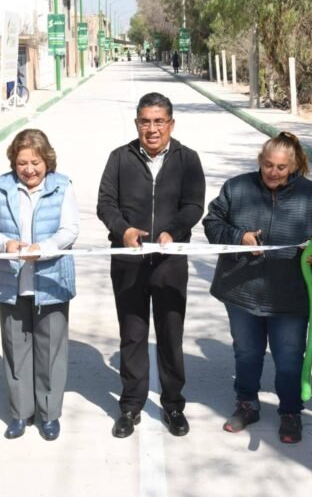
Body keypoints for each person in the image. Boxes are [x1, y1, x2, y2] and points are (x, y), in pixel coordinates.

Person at [203, 132, 312, 444]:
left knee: (290, 356)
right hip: (242, 292)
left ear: (293, 166)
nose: (273, 172)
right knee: (247, 352)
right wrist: (239, 237)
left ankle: (291, 412)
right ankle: (246, 404)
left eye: (281, 167)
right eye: (268, 165)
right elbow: (212, 222)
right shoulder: (236, 188)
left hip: (291, 297)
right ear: (260, 161)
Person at [97, 92, 205, 438]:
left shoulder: (188, 159)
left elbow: (194, 205)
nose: (152, 128)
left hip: (170, 262)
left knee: (171, 335)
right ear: (137, 124)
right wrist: (123, 230)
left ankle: (173, 405)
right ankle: (130, 405)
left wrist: (174, 231)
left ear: (171, 124)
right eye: (145, 121)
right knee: (132, 335)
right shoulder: (120, 158)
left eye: (159, 121)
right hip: (128, 262)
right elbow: (106, 203)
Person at [0, 129, 79, 442]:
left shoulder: (62, 186)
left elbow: (69, 230)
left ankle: (49, 414)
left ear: (47, 160)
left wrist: (44, 249)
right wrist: (5, 244)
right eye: (22, 163)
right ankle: (20, 413)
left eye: (35, 162)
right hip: (10, 282)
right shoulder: (1, 186)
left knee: (50, 352)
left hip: (51, 280)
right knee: (15, 349)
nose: (29, 169)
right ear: (13, 162)